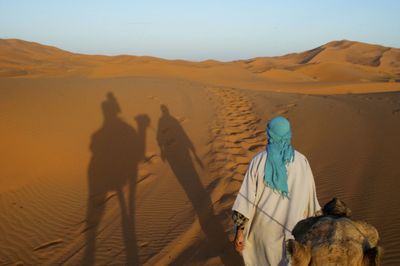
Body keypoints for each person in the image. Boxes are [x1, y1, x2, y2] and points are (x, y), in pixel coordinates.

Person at [232, 116, 320, 265]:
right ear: (288, 134)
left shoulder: (258, 161)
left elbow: (245, 200)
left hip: (262, 236)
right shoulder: (301, 162)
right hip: (294, 237)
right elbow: (311, 202)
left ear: (270, 134)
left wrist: (239, 232)